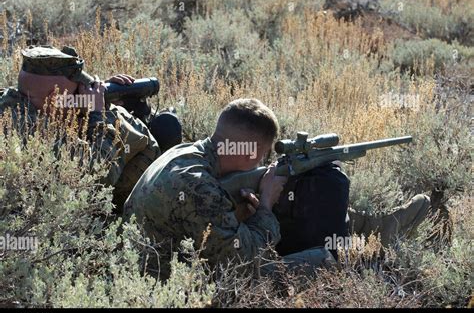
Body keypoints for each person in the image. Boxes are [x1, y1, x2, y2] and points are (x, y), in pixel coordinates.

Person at [124, 98, 430, 279]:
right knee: (323, 261)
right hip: (167, 282)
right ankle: (367, 251)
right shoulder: (198, 185)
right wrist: (267, 205)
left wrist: (249, 211)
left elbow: (206, 223)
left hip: (159, 258)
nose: (263, 162)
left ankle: (373, 226)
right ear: (248, 153)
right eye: (263, 155)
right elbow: (241, 262)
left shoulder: (188, 153)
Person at [0, 45, 182, 210]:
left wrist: (92, 100)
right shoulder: (31, 130)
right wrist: (98, 112)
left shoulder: (15, 102)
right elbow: (99, 174)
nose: (80, 96)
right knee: (167, 129)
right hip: (77, 214)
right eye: (76, 93)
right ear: (54, 97)